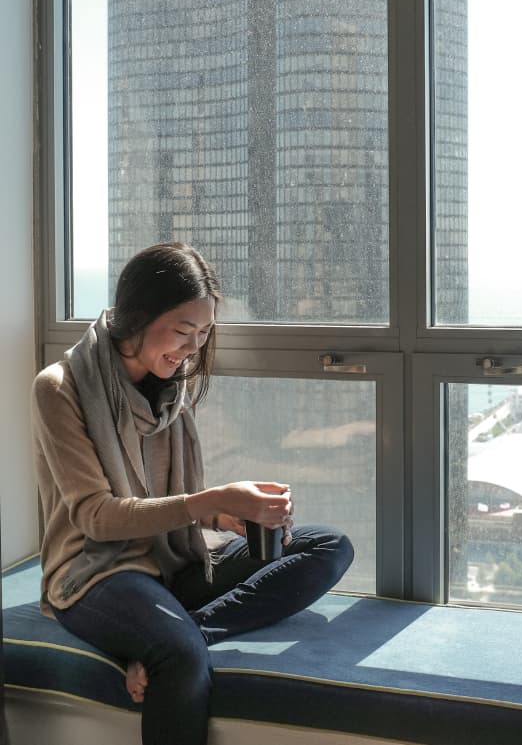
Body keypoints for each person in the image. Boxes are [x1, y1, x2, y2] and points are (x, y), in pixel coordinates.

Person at [31, 242, 354, 745]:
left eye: (203, 335)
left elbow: (162, 496)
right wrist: (207, 502)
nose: (192, 349)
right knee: (180, 659)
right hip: (97, 572)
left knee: (328, 545)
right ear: (137, 318)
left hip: (172, 561)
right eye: (183, 332)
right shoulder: (59, 389)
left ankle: (193, 628)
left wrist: (219, 518)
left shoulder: (171, 386)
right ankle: (177, 642)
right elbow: (96, 516)